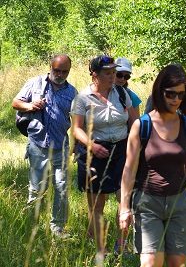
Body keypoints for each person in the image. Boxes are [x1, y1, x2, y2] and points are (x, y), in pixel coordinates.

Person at [119, 64, 186, 267]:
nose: (176, 100)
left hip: (180, 203)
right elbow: (129, 169)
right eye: (171, 94)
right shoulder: (142, 125)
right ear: (159, 92)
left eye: (181, 95)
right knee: (150, 262)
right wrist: (124, 207)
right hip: (148, 203)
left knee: (177, 262)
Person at [71, 55, 138, 259]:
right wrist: (92, 145)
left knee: (125, 199)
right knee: (97, 204)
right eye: (107, 73)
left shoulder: (122, 93)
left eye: (113, 72)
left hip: (121, 151)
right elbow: (76, 129)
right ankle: (101, 249)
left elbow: (135, 123)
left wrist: (136, 150)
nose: (112, 76)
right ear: (95, 75)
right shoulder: (82, 98)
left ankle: (122, 243)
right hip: (95, 153)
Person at [12, 54, 77, 238]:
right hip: (38, 144)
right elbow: (15, 103)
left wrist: (77, 143)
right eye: (57, 70)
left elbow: (77, 120)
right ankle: (32, 227)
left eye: (65, 71)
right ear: (51, 67)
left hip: (61, 146)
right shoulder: (35, 83)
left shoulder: (72, 92)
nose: (60, 74)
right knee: (37, 188)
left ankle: (57, 229)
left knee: (62, 189)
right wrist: (30, 105)